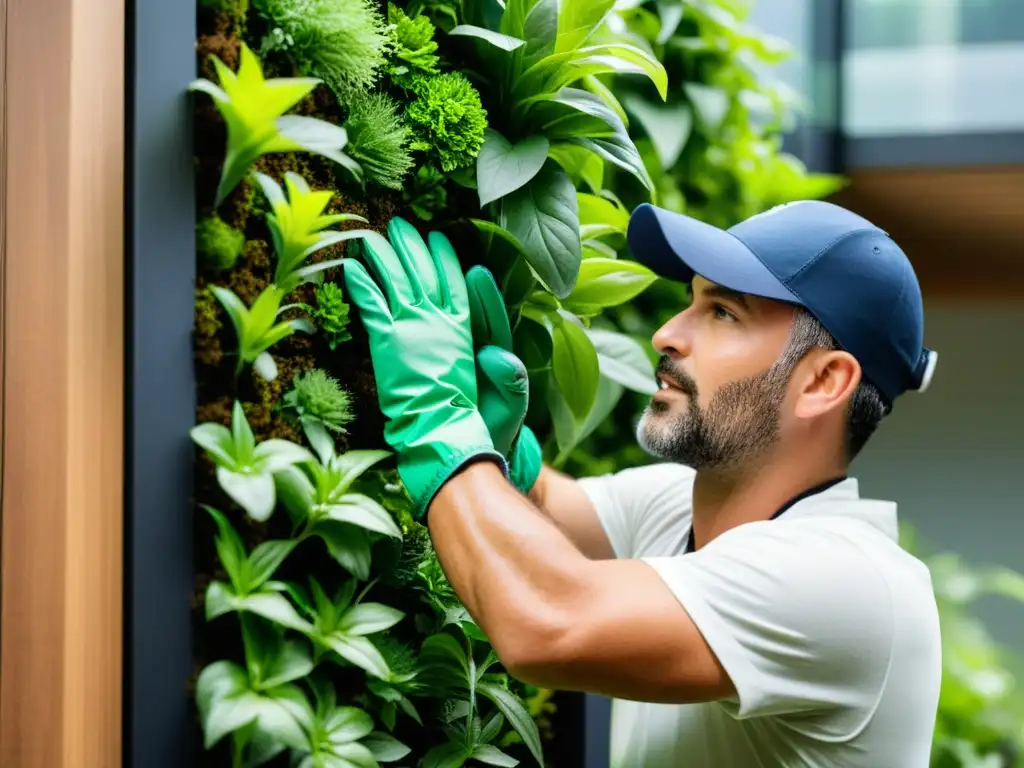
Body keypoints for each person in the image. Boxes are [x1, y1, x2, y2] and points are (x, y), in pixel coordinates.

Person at [342, 200, 944, 768]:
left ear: (822, 382)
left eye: (723, 312)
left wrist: (441, 422)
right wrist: (501, 454)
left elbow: (549, 618)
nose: (666, 334)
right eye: (692, 300)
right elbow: (549, 512)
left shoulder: (848, 580)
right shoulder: (686, 503)